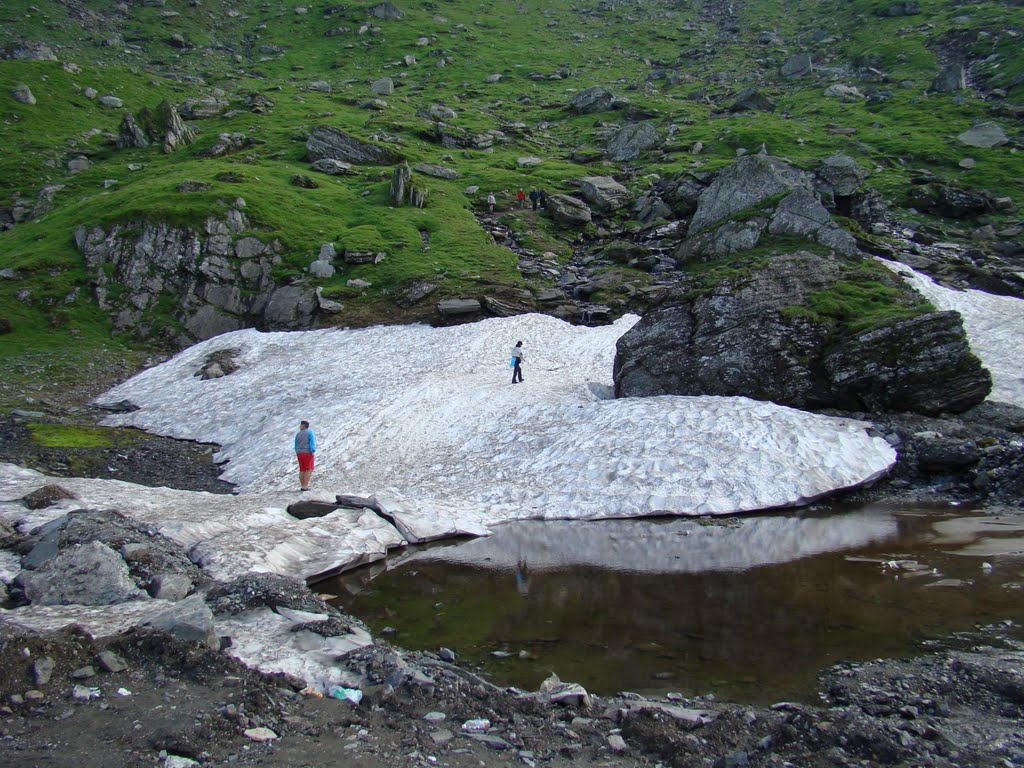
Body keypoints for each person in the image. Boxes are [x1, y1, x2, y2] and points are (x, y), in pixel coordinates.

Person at [294, 420, 316, 491]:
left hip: (299, 453)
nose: (300, 426)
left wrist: (297, 451)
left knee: (302, 469)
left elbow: (295, 444)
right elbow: (312, 441)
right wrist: (312, 450)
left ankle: (302, 485)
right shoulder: (309, 432)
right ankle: (305, 486)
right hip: (307, 452)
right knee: (309, 469)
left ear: (303, 425)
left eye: (300, 425)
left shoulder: (298, 434)